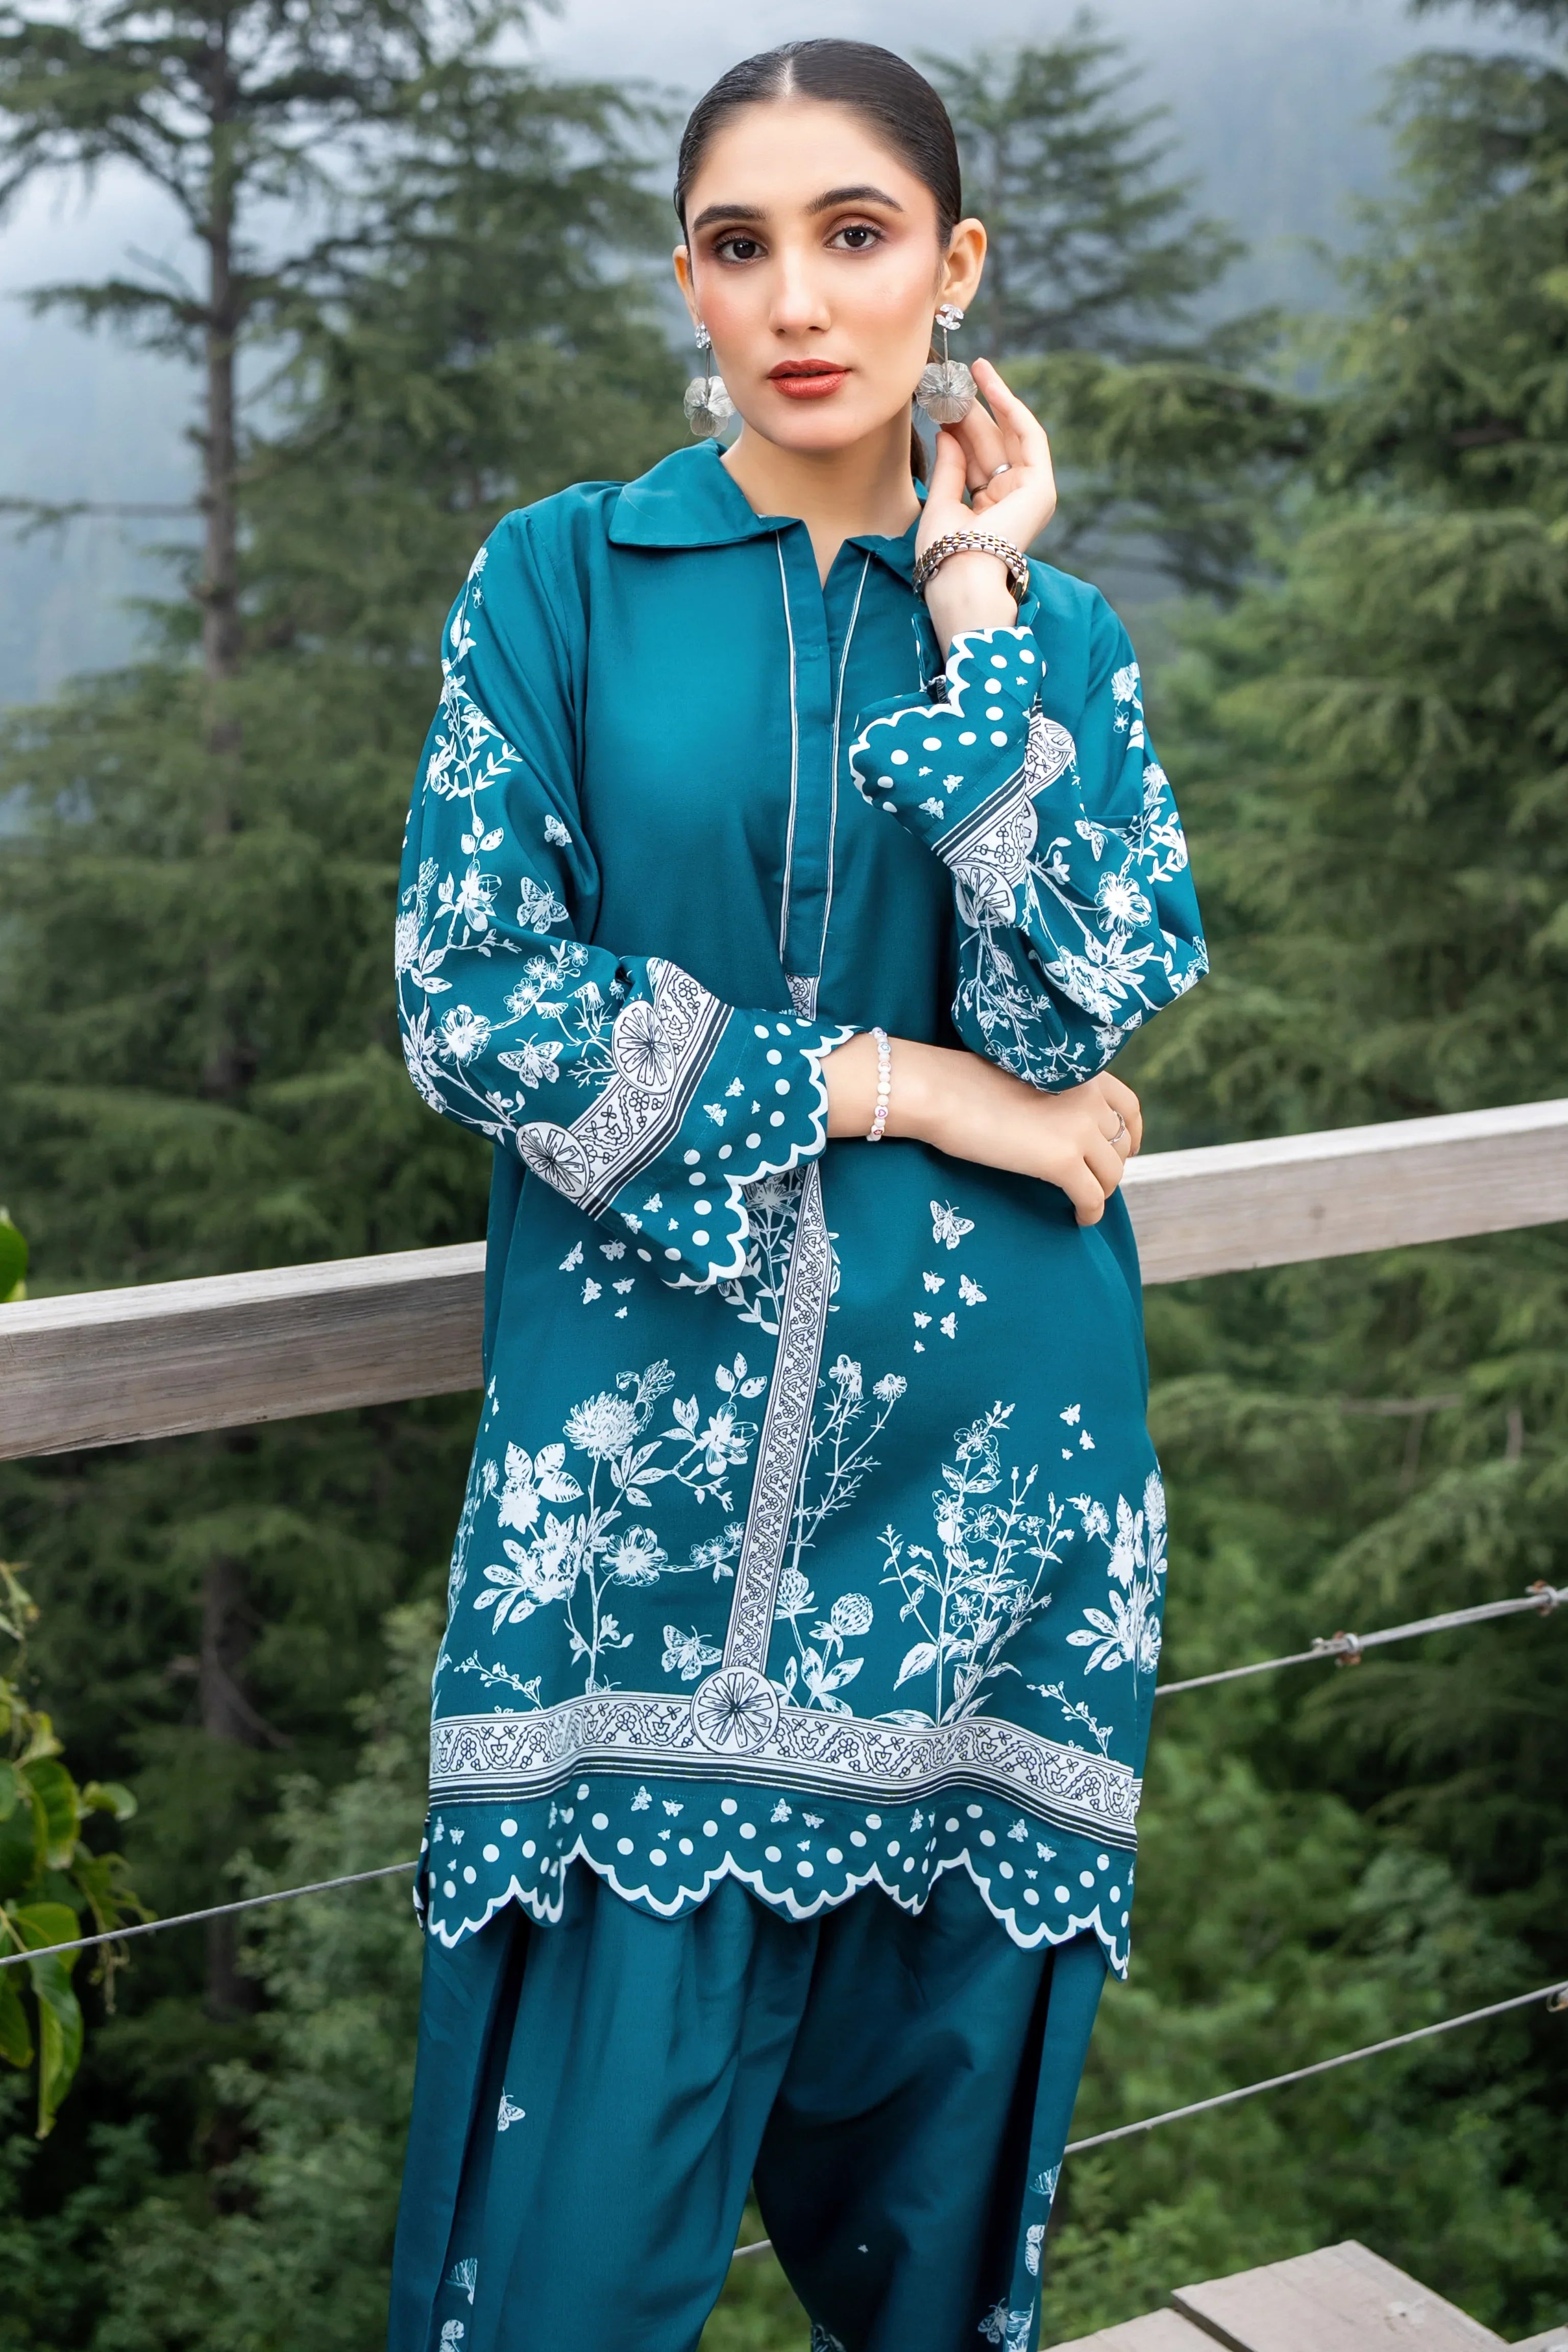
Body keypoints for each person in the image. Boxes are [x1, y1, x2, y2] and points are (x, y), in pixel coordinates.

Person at [387, 37, 1205, 2352]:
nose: (799, 300)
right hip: (636, 1541)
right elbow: (474, 999)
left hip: (997, 1528)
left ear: (958, 266)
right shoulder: (562, 581)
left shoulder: (1054, 642)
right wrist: (898, 1084)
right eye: (740, 247)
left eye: (857, 236)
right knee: (561, 2280)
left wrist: (976, 598)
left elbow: (1093, 993)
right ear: (690, 282)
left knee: (932, 2273)